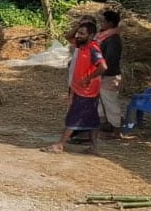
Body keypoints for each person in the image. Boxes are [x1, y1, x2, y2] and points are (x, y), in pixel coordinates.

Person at [46, 20, 107, 154]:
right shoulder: (81, 46)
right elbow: (68, 37)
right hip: (83, 90)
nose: (78, 36)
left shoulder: (92, 49)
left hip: (86, 91)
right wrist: (77, 27)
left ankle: (60, 144)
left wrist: (88, 78)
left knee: (74, 117)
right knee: (92, 120)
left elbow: (103, 66)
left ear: (91, 36)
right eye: (78, 33)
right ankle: (94, 147)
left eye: (82, 33)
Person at [97, 10, 124, 135]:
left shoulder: (112, 39)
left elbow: (110, 59)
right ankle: (109, 123)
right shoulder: (107, 36)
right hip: (106, 74)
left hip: (109, 75)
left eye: (104, 21)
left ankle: (116, 128)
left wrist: (101, 72)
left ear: (110, 23)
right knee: (104, 100)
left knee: (110, 101)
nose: (101, 23)